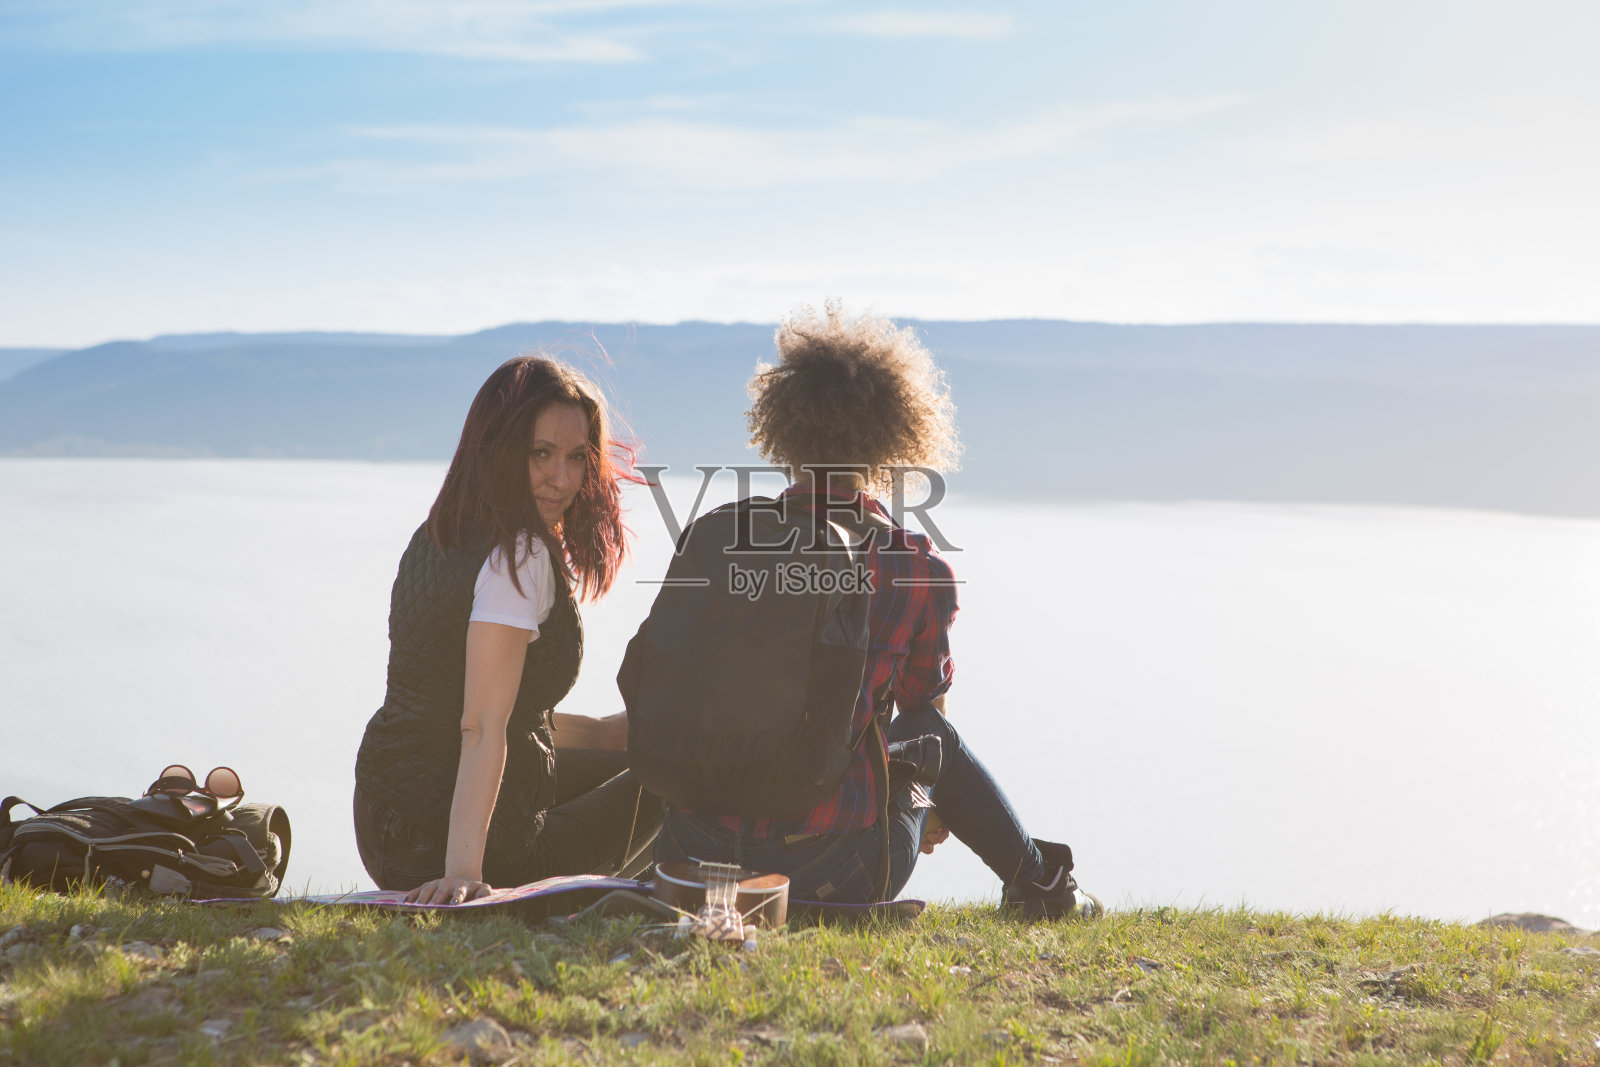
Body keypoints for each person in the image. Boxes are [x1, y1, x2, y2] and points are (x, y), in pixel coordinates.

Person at [652, 305, 1080, 917]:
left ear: (784, 427)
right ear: (893, 435)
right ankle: (1040, 885)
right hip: (827, 869)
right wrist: (922, 800)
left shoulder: (719, 541)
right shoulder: (912, 567)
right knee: (932, 737)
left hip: (693, 854)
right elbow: (924, 725)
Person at [354, 355, 658, 905]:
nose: (562, 479)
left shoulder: (436, 536)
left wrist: (612, 734)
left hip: (386, 821)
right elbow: (482, 727)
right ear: (498, 448)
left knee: (638, 753)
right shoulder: (517, 557)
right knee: (675, 780)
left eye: (574, 458)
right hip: (457, 845)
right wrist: (463, 874)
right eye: (541, 454)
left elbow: (488, 709)